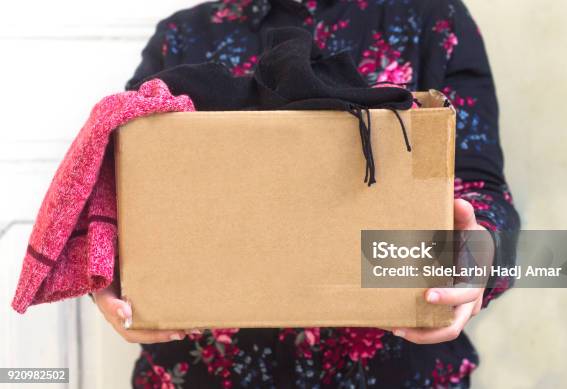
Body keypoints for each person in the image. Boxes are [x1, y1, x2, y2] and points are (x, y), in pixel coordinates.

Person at [93, 0, 520, 387]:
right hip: (203, 371)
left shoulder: (433, 21)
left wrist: (474, 259)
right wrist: (103, 272)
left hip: (394, 371)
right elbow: (125, 189)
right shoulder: (183, 36)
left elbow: (478, 188)